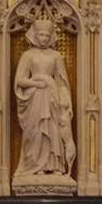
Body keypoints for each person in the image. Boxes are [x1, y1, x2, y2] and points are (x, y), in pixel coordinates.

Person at [14, 15, 74, 184]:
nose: (44, 38)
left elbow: (62, 82)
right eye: (41, 35)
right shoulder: (28, 55)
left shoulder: (56, 56)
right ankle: (35, 165)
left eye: (47, 35)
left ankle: (54, 165)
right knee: (36, 131)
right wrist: (36, 83)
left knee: (53, 130)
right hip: (35, 97)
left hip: (52, 98)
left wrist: (66, 102)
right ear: (34, 35)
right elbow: (20, 80)